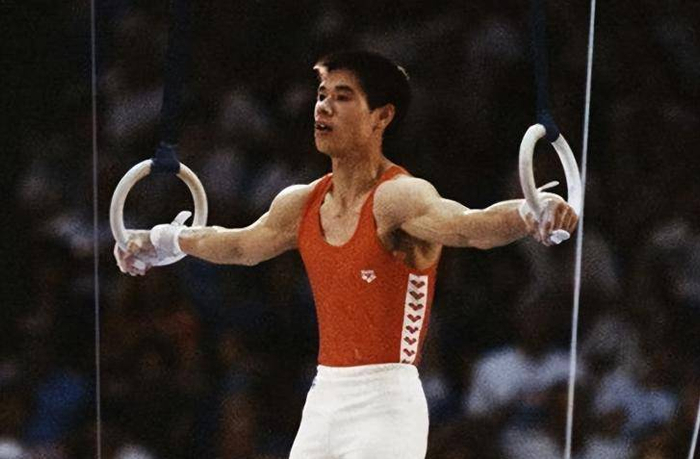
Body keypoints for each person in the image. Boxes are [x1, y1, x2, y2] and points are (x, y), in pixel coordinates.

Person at [115, 50, 578, 459]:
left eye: (342, 97)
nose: (323, 106)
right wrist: (162, 240)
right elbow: (239, 245)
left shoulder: (400, 197)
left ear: (382, 116)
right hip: (324, 400)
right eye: (321, 95)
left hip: (386, 403)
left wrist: (530, 211)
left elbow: (468, 227)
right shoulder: (300, 202)